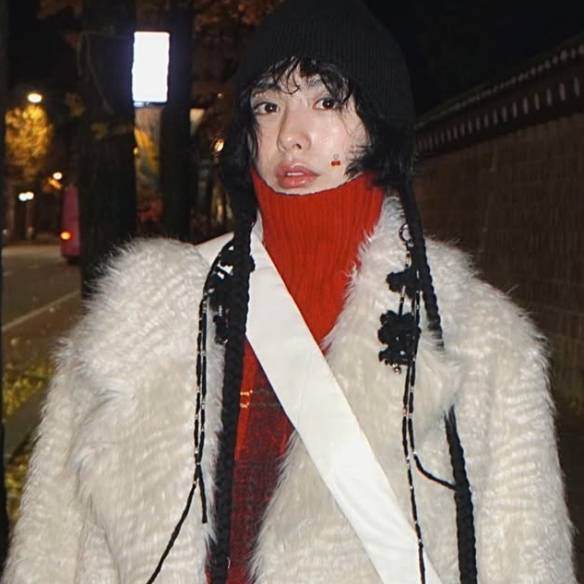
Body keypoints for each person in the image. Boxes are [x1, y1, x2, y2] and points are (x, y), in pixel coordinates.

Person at [2, 0, 575, 583]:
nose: (290, 136)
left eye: (326, 102)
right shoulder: (139, 320)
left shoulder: (477, 339)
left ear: (380, 122)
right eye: (268, 105)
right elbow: (54, 549)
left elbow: (525, 560)